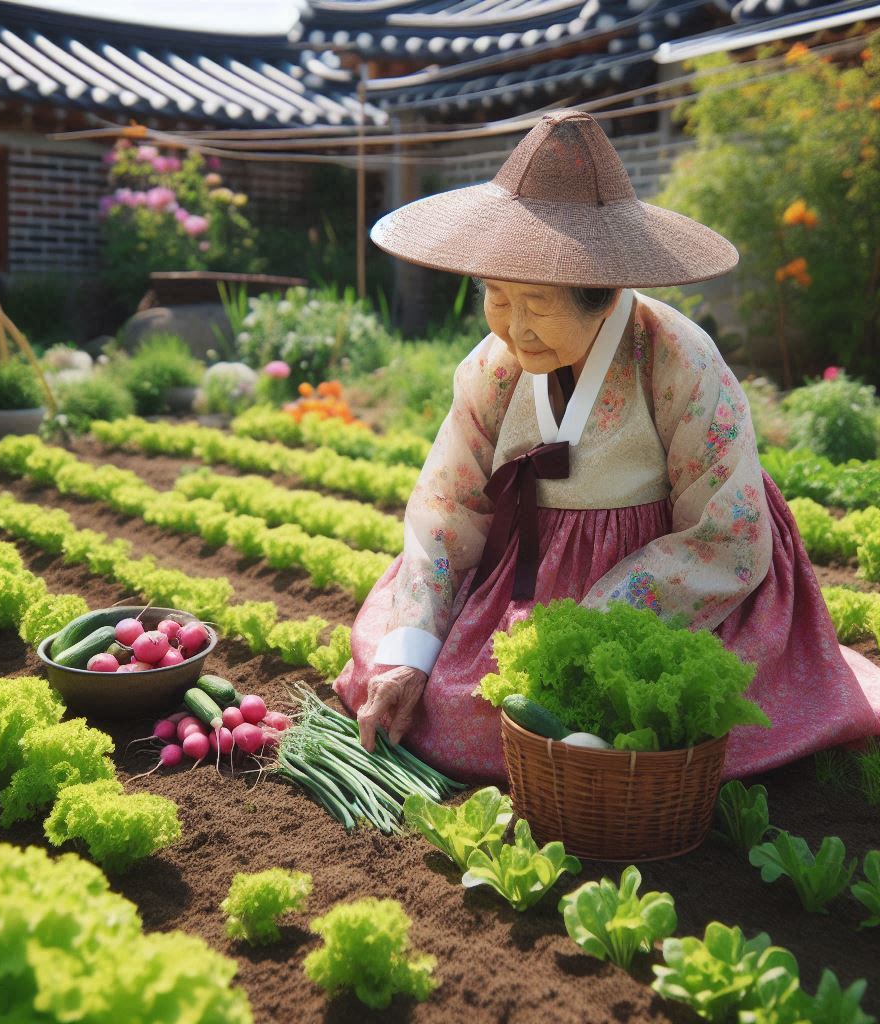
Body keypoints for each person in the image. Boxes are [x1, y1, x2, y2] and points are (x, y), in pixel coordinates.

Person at [333, 109, 880, 784]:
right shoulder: (491, 370)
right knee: (446, 701)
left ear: (606, 293)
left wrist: (589, 632)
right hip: (524, 582)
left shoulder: (679, 360)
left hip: (671, 588)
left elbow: (728, 533)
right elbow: (448, 511)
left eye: (536, 301)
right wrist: (411, 653)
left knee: (660, 723)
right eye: (496, 296)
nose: (513, 327)